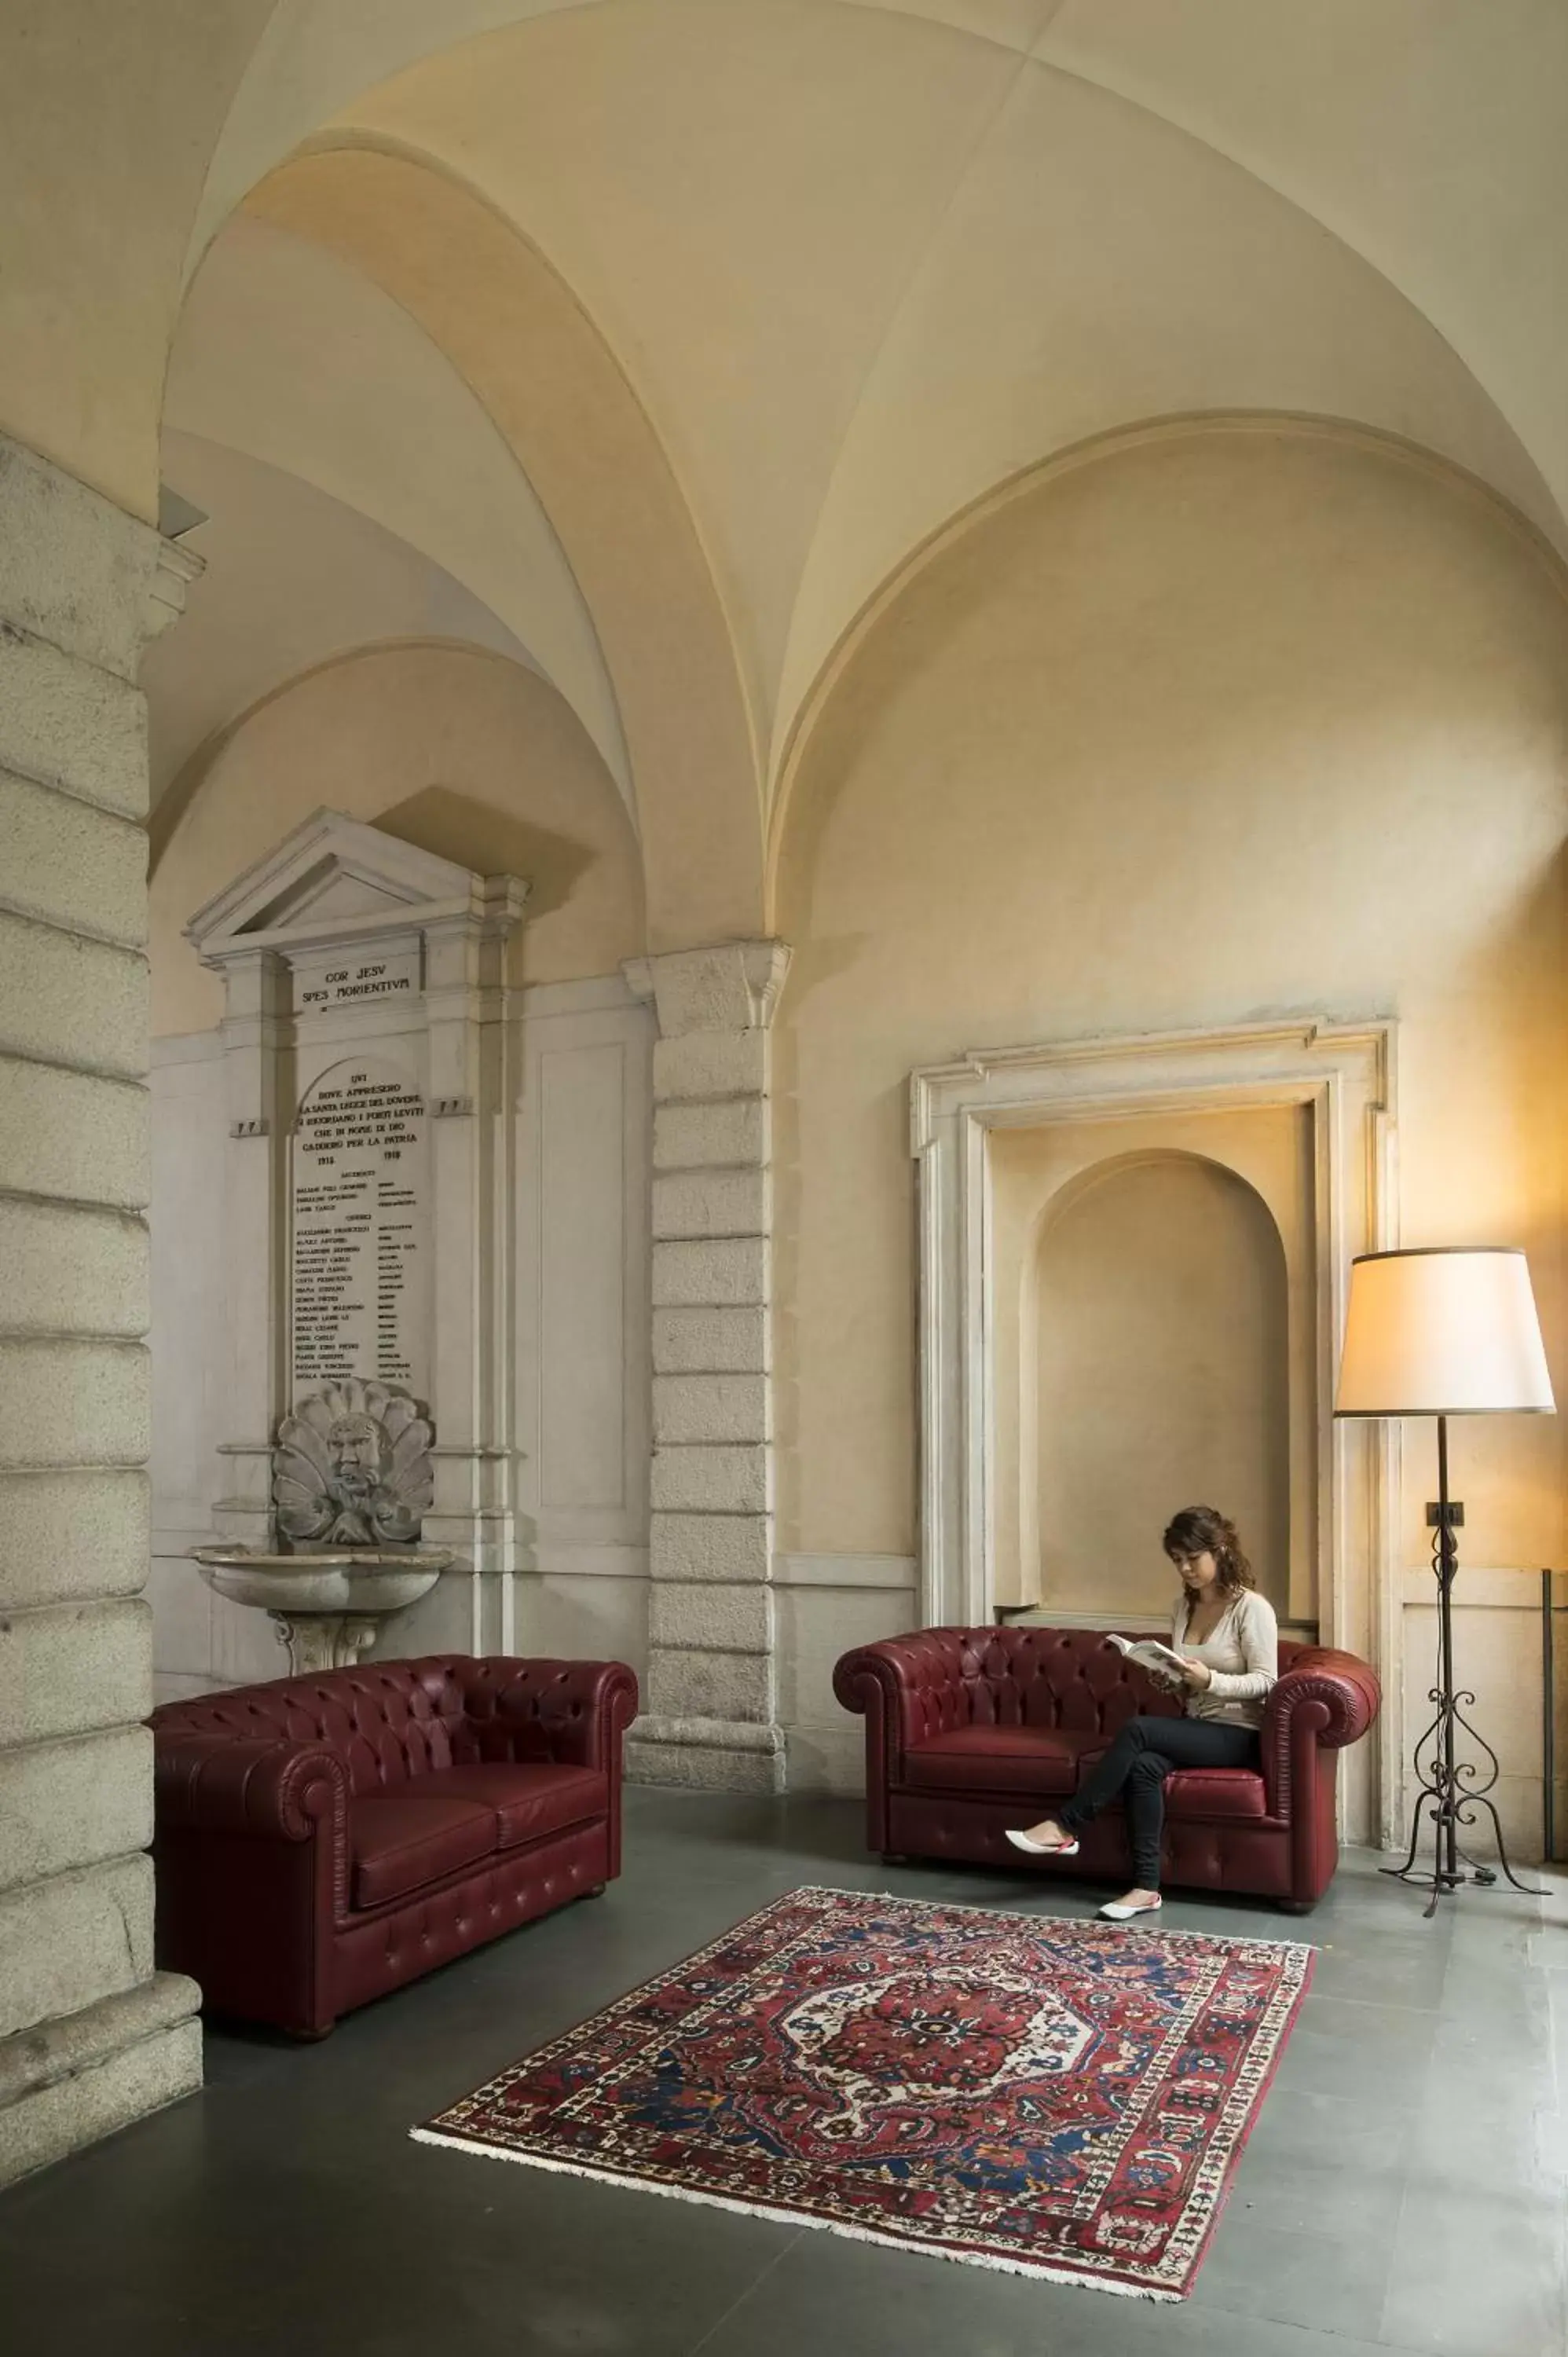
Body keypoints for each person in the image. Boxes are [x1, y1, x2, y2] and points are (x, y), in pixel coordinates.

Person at [1006, 1506, 1278, 1922]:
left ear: (1219, 1551)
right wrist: (1173, 1678)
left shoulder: (1250, 1608)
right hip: (1197, 1725)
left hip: (1238, 1732)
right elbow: (1190, 1678)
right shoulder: (1183, 1608)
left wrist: (1211, 1682)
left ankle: (1065, 1827)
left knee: (1136, 1730)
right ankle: (1146, 1888)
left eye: (1192, 1558)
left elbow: (1266, 1681)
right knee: (1146, 1767)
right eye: (1177, 1560)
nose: (1185, 1568)